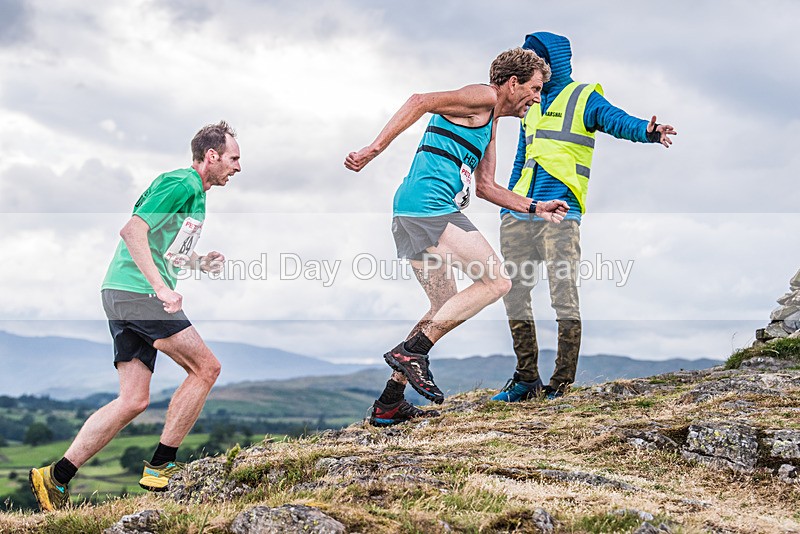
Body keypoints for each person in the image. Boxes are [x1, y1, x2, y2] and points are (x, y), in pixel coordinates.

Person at [345, 48, 570, 426]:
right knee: (497, 280)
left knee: (444, 306)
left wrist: (535, 207)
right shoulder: (483, 96)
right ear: (512, 83)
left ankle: (389, 403)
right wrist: (373, 149)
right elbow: (420, 101)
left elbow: (486, 187)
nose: (537, 96)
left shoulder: (490, 124)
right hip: (428, 207)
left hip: (411, 211)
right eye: (534, 88)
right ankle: (413, 352)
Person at [29, 121, 241, 511]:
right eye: (233, 158)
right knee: (206, 368)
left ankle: (55, 476)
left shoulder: (193, 193)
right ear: (211, 156)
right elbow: (132, 231)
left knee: (133, 400)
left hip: (121, 293)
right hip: (138, 293)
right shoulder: (183, 183)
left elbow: (163, 248)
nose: (238, 167)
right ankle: (161, 467)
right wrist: (161, 289)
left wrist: (198, 262)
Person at [491, 32, 677, 403]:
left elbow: (617, 120)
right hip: (520, 212)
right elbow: (522, 156)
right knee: (514, 294)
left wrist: (648, 131)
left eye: (534, 54)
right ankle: (526, 380)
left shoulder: (583, 97)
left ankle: (559, 385)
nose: (529, 60)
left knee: (563, 296)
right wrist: (507, 202)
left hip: (561, 214)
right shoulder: (532, 99)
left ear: (552, 58)